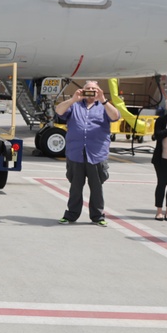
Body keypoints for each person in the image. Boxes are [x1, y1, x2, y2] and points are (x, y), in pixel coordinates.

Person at [54, 80, 120, 225]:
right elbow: (59, 111)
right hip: (76, 153)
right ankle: (71, 215)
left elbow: (115, 116)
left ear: (99, 91)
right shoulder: (75, 106)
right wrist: (73, 99)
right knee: (75, 187)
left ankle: (97, 216)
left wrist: (103, 100)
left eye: (94, 89)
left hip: (96, 154)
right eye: (88, 88)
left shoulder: (103, 107)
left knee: (96, 188)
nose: (90, 91)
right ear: (82, 90)